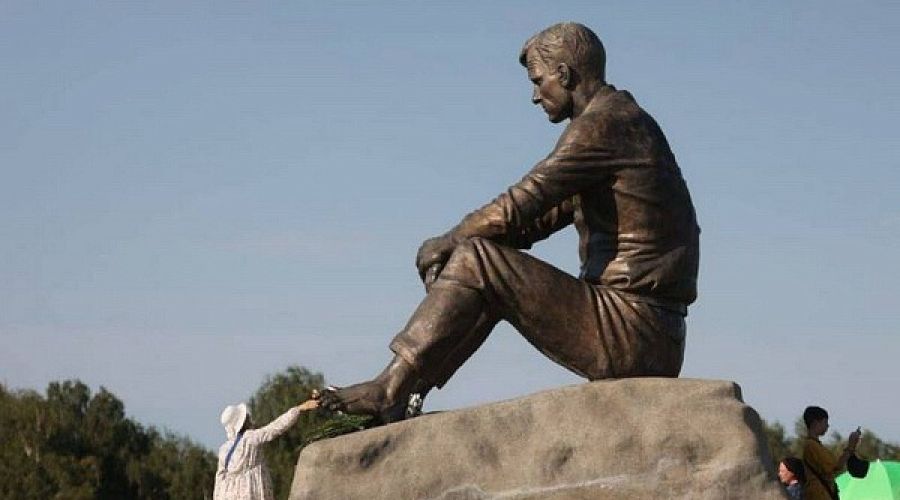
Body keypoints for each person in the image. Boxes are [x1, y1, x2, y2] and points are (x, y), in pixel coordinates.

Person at [321, 22, 700, 421]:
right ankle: (406, 392)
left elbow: (520, 203)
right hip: (650, 331)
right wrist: (460, 264)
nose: (535, 96)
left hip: (634, 329)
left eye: (538, 81)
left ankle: (391, 389)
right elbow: (530, 223)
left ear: (564, 74)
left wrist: (447, 243)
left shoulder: (604, 125)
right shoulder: (621, 123)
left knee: (477, 259)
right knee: (480, 261)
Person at [213, 396, 319, 500]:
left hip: (228, 494)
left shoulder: (224, 449)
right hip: (251, 490)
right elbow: (275, 428)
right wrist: (299, 409)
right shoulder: (250, 438)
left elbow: (220, 477)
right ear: (244, 422)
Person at [801, 405, 862, 500]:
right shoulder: (812, 446)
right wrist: (851, 446)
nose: (827, 426)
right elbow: (836, 466)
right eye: (825, 422)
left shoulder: (814, 445)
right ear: (815, 423)